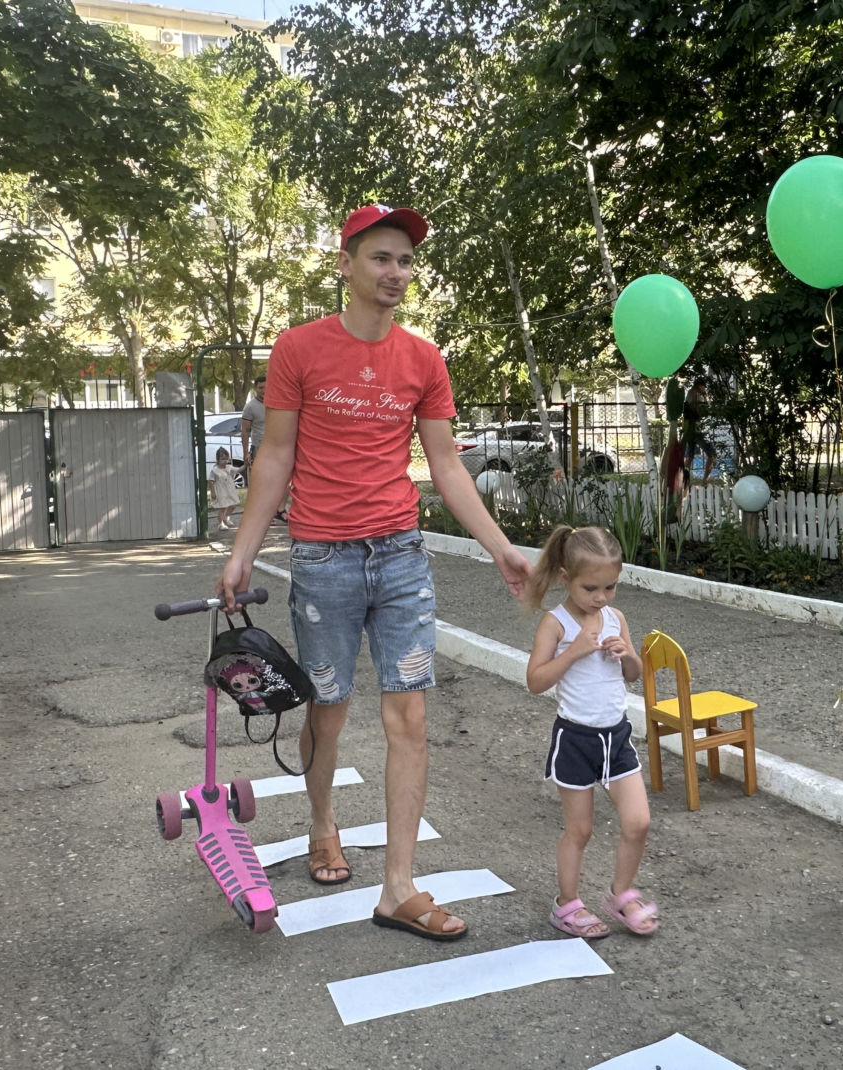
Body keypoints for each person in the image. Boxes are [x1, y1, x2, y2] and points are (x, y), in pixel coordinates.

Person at [217, 203, 532, 942]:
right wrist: (242, 549)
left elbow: (446, 464)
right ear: (347, 264)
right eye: (382, 258)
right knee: (329, 707)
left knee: (410, 714)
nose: (396, 274)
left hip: (399, 555)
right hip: (323, 558)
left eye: (405, 262)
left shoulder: (424, 359)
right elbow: (276, 457)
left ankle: (398, 885)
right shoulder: (298, 349)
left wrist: (499, 545)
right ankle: (323, 821)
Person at [521, 525, 657, 939]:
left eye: (610, 587)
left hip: (615, 737)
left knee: (638, 822)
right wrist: (575, 651)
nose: (601, 597)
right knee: (580, 830)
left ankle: (621, 895)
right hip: (576, 740)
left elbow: (634, 675)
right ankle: (566, 905)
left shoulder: (615, 618)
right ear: (566, 578)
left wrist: (629, 654)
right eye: (591, 588)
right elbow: (535, 680)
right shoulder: (555, 624)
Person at [239, 375, 289, 521]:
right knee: (262, 483)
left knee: (285, 480)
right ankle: (263, 516)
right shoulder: (250, 407)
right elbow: (245, 431)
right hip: (259, 448)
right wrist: (245, 453)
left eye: (267, 387)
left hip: (279, 448)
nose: (264, 390)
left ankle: (279, 509)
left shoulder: (279, 403)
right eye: (261, 387)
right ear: (256, 388)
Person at [209, 447, 242, 529]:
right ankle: (221, 523)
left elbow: (239, 470)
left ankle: (226, 517)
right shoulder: (214, 470)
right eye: (222, 459)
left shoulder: (229, 468)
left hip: (230, 491)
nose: (224, 461)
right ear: (218, 460)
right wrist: (213, 492)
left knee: (233, 505)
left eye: (226, 459)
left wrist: (245, 465)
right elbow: (211, 481)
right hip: (221, 492)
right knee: (222, 507)